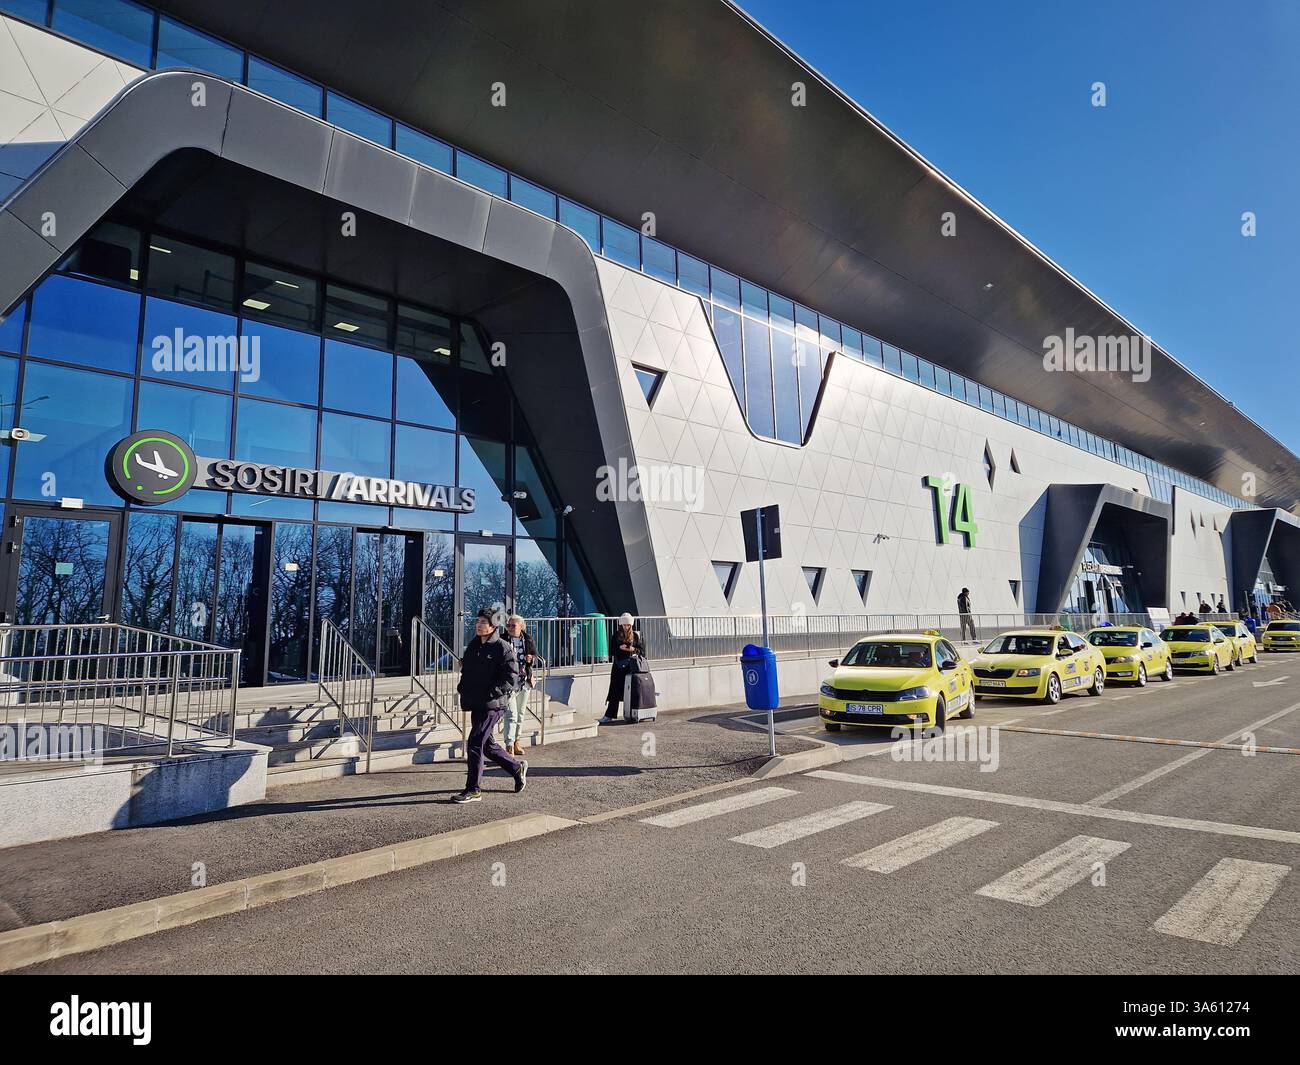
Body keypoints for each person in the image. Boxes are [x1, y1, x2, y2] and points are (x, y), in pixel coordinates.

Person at [452, 609, 527, 805]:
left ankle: (473, 789)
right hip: (477, 702)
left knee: (475, 741)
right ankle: (516, 768)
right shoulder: (474, 646)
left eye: (483, 622)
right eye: (478, 621)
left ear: (493, 626)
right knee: (487, 746)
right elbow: (467, 670)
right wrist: (463, 688)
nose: (478, 625)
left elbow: (511, 679)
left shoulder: (503, 648)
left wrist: (490, 693)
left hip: (493, 704)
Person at [502, 614, 537, 758]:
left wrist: (531, 659)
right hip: (509, 682)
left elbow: (535, 655)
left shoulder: (528, 639)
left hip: (524, 681)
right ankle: (509, 745)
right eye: (508, 625)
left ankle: (517, 741)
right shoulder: (502, 639)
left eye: (513, 626)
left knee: (521, 714)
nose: (510, 628)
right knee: (511, 714)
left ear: (521, 627)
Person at [600, 613, 645, 724]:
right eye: (624, 625)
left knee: (632, 691)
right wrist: (620, 648)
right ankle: (609, 715)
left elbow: (642, 651)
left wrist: (632, 649)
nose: (626, 627)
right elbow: (611, 651)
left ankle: (632, 714)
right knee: (615, 690)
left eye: (628, 625)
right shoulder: (616, 635)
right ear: (621, 624)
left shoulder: (635, 635)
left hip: (631, 666)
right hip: (618, 666)